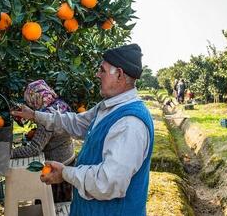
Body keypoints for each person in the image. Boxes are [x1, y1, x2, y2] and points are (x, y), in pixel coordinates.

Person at [12, 44, 154, 216]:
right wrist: (35, 115)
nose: (97, 74)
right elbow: (76, 122)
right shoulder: (107, 107)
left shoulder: (130, 124)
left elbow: (107, 182)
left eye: (102, 70)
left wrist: (66, 173)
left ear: (119, 74)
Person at [11, 79, 75, 202]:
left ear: (34, 98)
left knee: (50, 205)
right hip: (69, 160)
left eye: (29, 100)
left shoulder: (46, 117)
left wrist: (11, 153)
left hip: (56, 167)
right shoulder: (61, 104)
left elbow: (34, 149)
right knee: (64, 205)